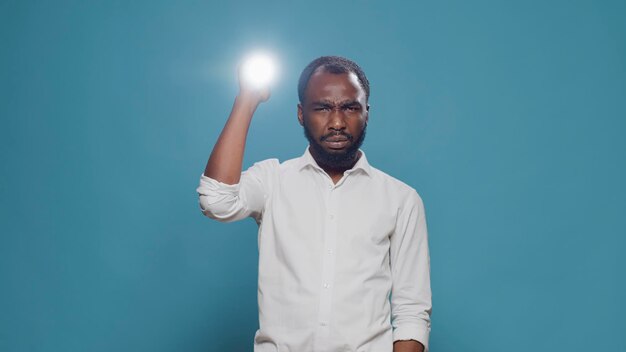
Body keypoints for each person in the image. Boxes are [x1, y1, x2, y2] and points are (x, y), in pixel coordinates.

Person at [197, 56, 432, 352]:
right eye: (322, 108)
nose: (336, 122)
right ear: (300, 114)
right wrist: (247, 99)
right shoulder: (273, 182)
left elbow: (412, 312)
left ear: (366, 113)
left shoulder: (401, 199)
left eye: (349, 107)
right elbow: (216, 201)